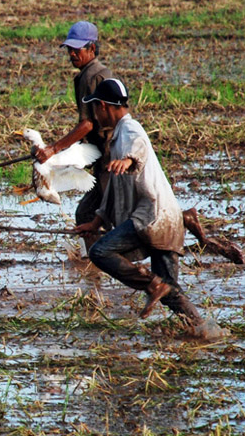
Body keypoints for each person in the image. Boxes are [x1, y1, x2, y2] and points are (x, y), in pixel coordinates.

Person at [74, 78, 203, 326]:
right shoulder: (118, 135)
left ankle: (152, 284)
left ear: (102, 106)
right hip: (167, 218)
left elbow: (139, 147)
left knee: (99, 251)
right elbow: (113, 188)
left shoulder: (130, 130)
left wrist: (129, 160)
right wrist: (96, 222)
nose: (95, 114)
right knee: (170, 291)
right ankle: (202, 329)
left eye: (95, 109)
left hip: (152, 218)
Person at [32, 21, 113, 247]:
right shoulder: (90, 75)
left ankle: (108, 262)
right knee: (88, 214)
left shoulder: (92, 76)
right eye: (70, 49)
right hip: (102, 157)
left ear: (92, 49)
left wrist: (53, 150)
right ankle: (96, 267)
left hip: (112, 158)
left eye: (77, 49)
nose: (72, 54)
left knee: (113, 216)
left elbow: (87, 125)